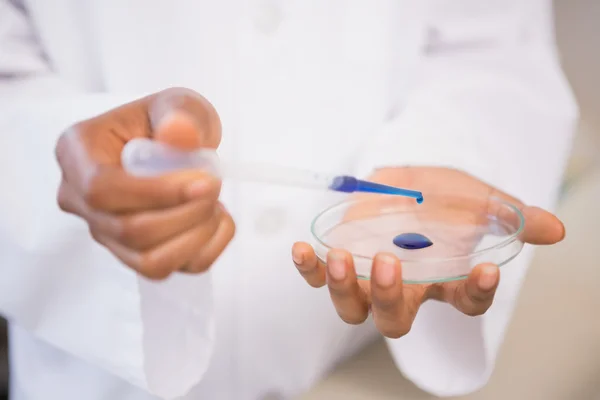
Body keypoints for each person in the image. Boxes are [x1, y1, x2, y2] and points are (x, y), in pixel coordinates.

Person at [0, 1, 576, 399]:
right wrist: (58, 156)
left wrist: (449, 152)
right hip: (96, 373)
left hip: (350, 368)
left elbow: (487, 46)